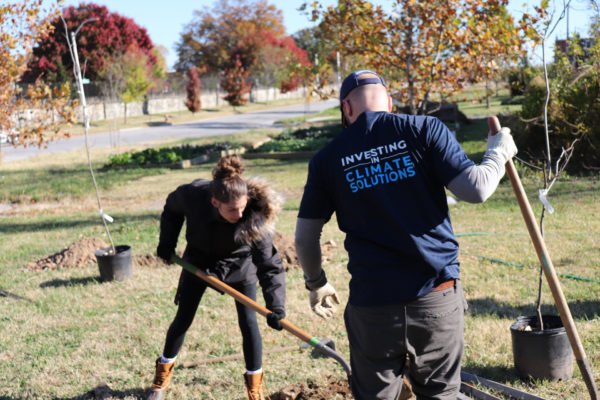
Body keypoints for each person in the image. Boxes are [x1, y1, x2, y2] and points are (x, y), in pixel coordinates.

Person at [294, 70, 517, 400]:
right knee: (441, 394)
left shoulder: (327, 159)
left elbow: (304, 237)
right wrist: (498, 152)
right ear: (390, 102)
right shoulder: (424, 129)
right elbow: (477, 188)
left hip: (372, 306)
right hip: (435, 297)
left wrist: (316, 282)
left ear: (346, 108)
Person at [146, 155, 286, 400]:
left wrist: (276, 306)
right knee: (183, 318)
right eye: (232, 209)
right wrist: (167, 243)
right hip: (197, 262)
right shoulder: (193, 195)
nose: (239, 214)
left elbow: (269, 265)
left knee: (248, 323)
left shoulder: (253, 216)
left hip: (240, 266)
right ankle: (161, 378)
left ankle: (254, 387)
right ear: (214, 202)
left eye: (243, 207)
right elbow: (171, 208)